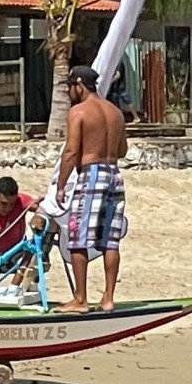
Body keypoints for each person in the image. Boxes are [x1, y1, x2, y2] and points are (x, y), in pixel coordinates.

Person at [54, 63, 127, 312]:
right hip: (114, 175)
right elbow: (123, 150)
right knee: (110, 240)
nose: (68, 93)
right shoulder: (115, 112)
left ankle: (81, 299)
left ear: (79, 86)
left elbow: (71, 151)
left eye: (70, 88)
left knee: (77, 238)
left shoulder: (79, 112)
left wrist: (61, 186)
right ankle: (108, 298)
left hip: (92, 175)